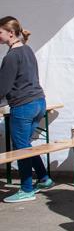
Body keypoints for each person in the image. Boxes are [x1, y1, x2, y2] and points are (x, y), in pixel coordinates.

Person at [0, 17, 53, 203]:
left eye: (0, 32)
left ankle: (26, 189)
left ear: (11, 33)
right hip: (39, 102)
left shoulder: (11, 56)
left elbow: (3, 87)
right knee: (26, 146)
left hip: (23, 106)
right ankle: (44, 178)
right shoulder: (27, 50)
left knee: (21, 148)